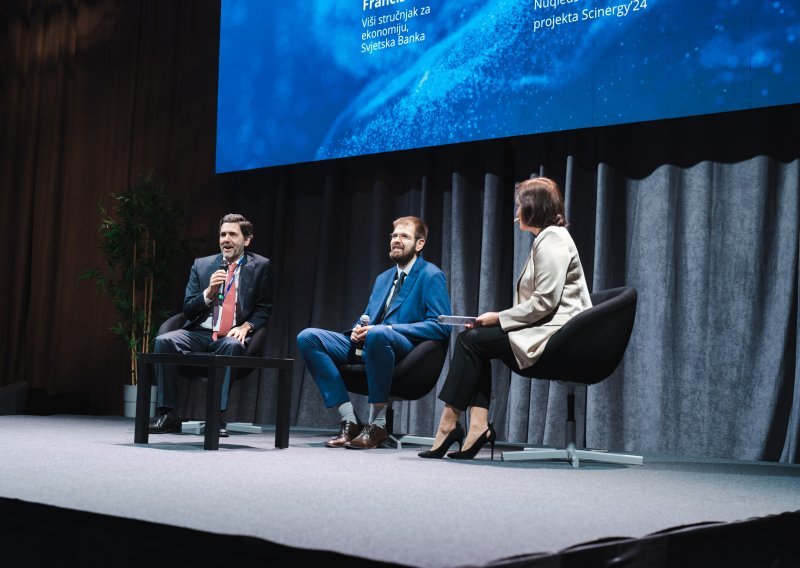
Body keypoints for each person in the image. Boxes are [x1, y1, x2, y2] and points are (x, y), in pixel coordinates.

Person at [418, 177, 592, 460]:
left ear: (533, 208)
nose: (515, 214)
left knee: (470, 340)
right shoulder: (548, 238)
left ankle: (450, 425)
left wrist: (498, 318)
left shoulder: (552, 240)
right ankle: (475, 427)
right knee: (474, 341)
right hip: (552, 330)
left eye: (519, 206)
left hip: (560, 337)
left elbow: (545, 302)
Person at [297, 216, 451, 450]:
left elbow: (441, 325)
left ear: (419, 244)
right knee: (308, 338)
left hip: (406, 349)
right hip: (372, 341)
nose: (397, 240)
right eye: (394, 236)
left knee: (379, 334)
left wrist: (388, 329)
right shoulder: (383, 278)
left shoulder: (430, 275)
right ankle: (349, 421)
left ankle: (377, 424)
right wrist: (358, 329)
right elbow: (369, 315)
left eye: (405, 236)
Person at [148, 213, 273, 436]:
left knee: (232, 346)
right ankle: (167, 413)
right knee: (163, 341)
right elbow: (188, 309)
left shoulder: (261, 266)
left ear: (246, 240)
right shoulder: (202, 265)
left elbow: (264, 307)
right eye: (222, 234)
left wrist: (247, 327)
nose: (226, 239)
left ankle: (215, 415)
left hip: (230, 336)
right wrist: (208, 292)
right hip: (200, 332)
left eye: (233, 234)